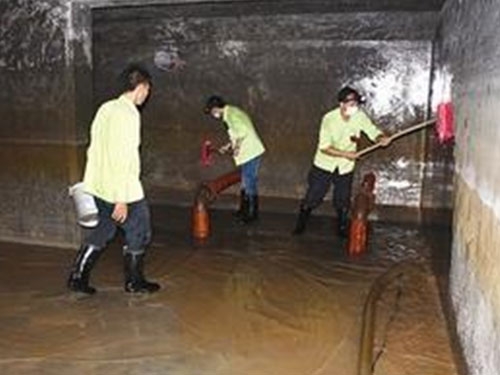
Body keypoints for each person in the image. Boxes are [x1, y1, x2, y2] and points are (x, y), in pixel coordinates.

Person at [67, 64, 160, 295]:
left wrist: (92, 184)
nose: (147, 94)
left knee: (105, 229)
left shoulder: (105, 108)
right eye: (147, 89)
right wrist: (121, 197)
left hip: (101, 186)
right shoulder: (129, 114)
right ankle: (134, 282)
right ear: (140, 86)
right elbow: (124, 156)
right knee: (140, 229)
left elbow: (94, 148)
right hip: (123, 189)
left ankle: (77, 277)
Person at [292, 86, 390, 237]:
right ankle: (300, 226)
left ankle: (342, 230)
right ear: (341, 104)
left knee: (343, 199)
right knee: (313, 196)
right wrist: (345, 154)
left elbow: (372, 131)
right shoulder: (329, 119)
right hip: (324, 164)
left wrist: (380, 138)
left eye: (356, 104)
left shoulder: (360, 116)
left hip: (345, 167)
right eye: (351, 104)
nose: (354, 108)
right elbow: (324, 147)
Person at [204, 96, 265, 224]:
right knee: (245, 181)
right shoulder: (231, 112)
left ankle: (251, 215)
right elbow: (236, 134)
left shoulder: (230, 115)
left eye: (212, 112)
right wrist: (227, 146)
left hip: (251, 152)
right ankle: (243, 210)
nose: (213, 115)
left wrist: (236, 148)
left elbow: (243, 132)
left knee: (249, 183)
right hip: (250, 152)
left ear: (216, 108)